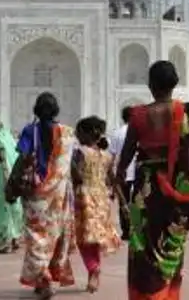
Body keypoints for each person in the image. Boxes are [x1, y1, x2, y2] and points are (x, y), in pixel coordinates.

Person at [115, 60, 189, 300]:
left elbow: (125, 160)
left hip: (146, 190)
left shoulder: (138, 115)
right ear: (175, 84)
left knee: (143, 245)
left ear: (150, 84)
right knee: (171, 242)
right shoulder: (188, 113)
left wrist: (119, 184)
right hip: (176, 186)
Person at [7, 92, 76, 299]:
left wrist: (12, 183)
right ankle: (46, 275)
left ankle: (43, 275)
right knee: (54, 234)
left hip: (36, 194)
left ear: (36, 110)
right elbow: (70, 165)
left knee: (36, 236)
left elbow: (23, 158)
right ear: (56, 110)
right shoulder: (67, 132)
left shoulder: (31, 131)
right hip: (59, 195)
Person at [73, 115, 122, 293]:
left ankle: (93, 268)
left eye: (79, 132)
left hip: (84, 198)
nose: (77, 135)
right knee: (95, 238)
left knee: (83, 239)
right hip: (102, 200)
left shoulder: (81, 153)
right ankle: (94, 270)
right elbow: (113, 179)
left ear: (87, 133)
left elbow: (77, 176)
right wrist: (121, 200)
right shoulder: (107, 156)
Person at [0, 117, 23, 253]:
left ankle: (2, 243)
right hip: (13, 176)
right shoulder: (10, 139)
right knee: (14, 206)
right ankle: (15, 237)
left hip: (0, 175)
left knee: (0, 209)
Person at [108, 106, 135, 240]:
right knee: (137, 202)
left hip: (122, 172)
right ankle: (136, 230)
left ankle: (126, 231)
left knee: (123, 202)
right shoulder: (138, 132)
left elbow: (112, 157)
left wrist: (111, 178)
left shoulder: (117, 133)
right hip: (137, 172)